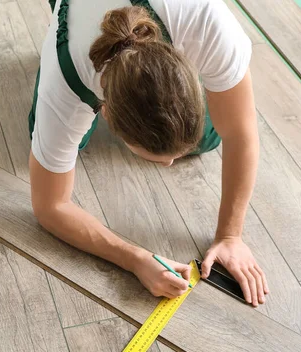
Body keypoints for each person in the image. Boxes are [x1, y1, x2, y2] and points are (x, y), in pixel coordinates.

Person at [28, 0, 270, 306]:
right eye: (157, 158)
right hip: (78, 32)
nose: (170, 164)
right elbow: (50, 206)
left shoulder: (207, 21)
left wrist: (230, 235)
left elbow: (240, 131)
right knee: (45, 136)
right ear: (106, 114)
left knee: (207, 140)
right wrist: (134, 258)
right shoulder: (64, 86)